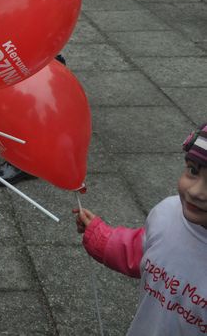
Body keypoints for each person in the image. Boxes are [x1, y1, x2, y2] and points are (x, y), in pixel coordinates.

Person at [74, 123, 207, 335]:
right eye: (193, 170)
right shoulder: (167, 213)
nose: (196, 192)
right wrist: (100, 235)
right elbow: (143, 250)